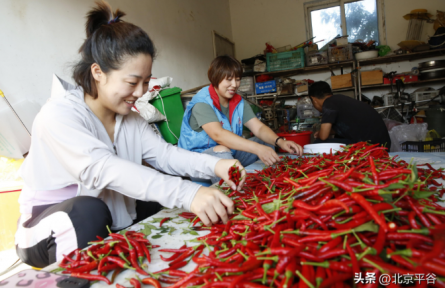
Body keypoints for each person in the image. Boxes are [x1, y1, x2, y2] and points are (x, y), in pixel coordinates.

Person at [15, 1, 245, 268]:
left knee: (162, 193)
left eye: (146, 82)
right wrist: (188, 193)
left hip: (110, 215)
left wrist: (216, 165)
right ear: (98, 72)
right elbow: (103, 169)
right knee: (88, 213)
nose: (140, 93)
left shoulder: (130, 118)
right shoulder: (60, 115)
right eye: (132, 82)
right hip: (50, 228)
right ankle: (70, 277)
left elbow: (165, 155)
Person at [178, 56, 303, 183]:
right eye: (229, 80)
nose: (235, 85)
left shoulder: (238, 102)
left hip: (228, 152)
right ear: (215, 78)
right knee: (223, 152)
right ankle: (228, 192)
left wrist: (280, 141)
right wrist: (257, 149)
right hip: (198, 159)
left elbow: (258, 128)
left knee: (265, 143)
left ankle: (269, 181)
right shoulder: (202, 102)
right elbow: (218, 135)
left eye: (237, 80)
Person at [309, 81, 391, 147]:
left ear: (314, 99)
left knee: (318, 143)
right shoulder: (340, 100)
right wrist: (328, 132)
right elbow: (347, 127)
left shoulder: (328, 103)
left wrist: (319, 134)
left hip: (371, 146)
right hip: (382, 143)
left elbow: (323, 136)